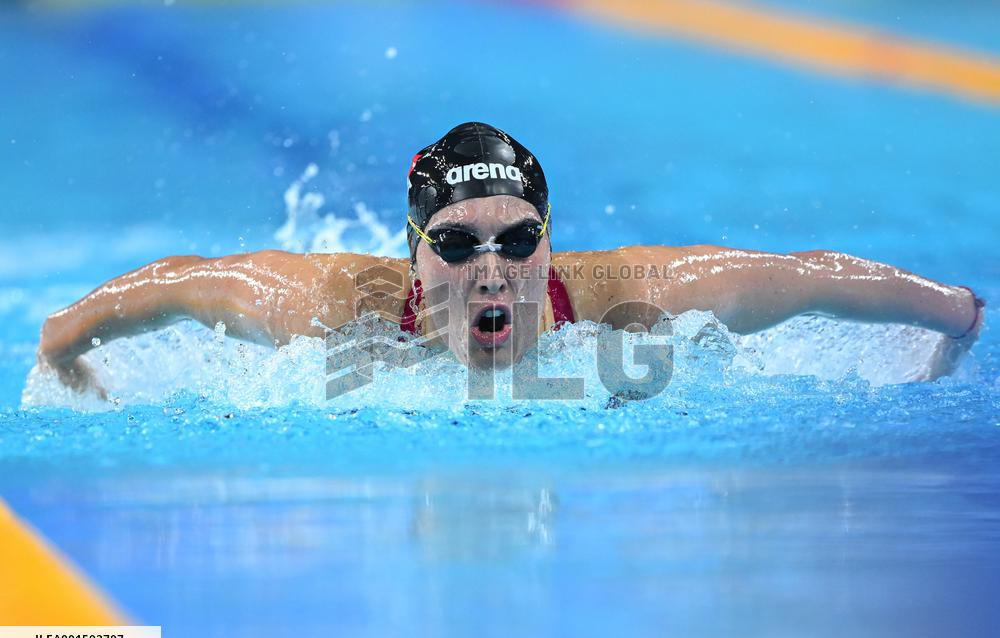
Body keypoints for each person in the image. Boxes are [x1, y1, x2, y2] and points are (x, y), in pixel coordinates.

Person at [37, 122, 984, 397]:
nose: (491, 269)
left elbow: (814, 275)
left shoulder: (636, 300)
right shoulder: (332, 307)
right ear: (414, 258)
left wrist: (949, 322)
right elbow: (168, 287)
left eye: (518, 238)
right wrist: (67, 358)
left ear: (547, 242)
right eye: (456, 244)